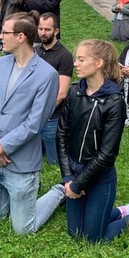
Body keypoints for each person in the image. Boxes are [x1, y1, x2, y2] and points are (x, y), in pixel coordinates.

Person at [56, 39, 129, 242]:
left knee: (93, 238)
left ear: (99, 63)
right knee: (75, 233)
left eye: (81, 59)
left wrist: (78, 185)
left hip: (99, 177)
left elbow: (107, 154)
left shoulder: (114, 102)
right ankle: (127, 208)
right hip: (75, 173)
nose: (75, 63)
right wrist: (69, 178)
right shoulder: (75, 92)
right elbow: (61, 135)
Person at [0, 11, 64, 235]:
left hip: (21, 164)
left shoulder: (47, 75)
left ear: (21, 36)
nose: (0, 37)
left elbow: (34, 124)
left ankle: (59, 191)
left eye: (5, 33)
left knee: (22, 229)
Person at [34, 12, 73, 165]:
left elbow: (62, 93)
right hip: (35, 114)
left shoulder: (64, 55)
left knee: (54, 161)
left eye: (47, 29)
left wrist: (40, 112)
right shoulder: (35, 52)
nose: (43, 33)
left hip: (52, 116)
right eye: (40, 29)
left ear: (56, 31)